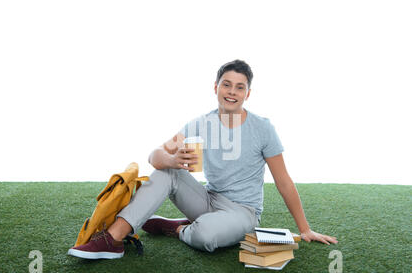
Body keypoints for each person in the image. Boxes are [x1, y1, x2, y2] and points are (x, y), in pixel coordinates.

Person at [67, 59, 338, 260]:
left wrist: (305, 229)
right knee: (164, 173)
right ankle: (112, 240)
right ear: (216, 87)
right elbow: (154, 156)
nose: (232, 92)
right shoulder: (201, 124)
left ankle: (178, 230)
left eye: (240, 87)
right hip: (208, 200)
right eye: (227, 85)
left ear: (248, 93)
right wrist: (172, 161)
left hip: (242, 212)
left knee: (207, 236)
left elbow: (284, 181)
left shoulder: (263, 128)